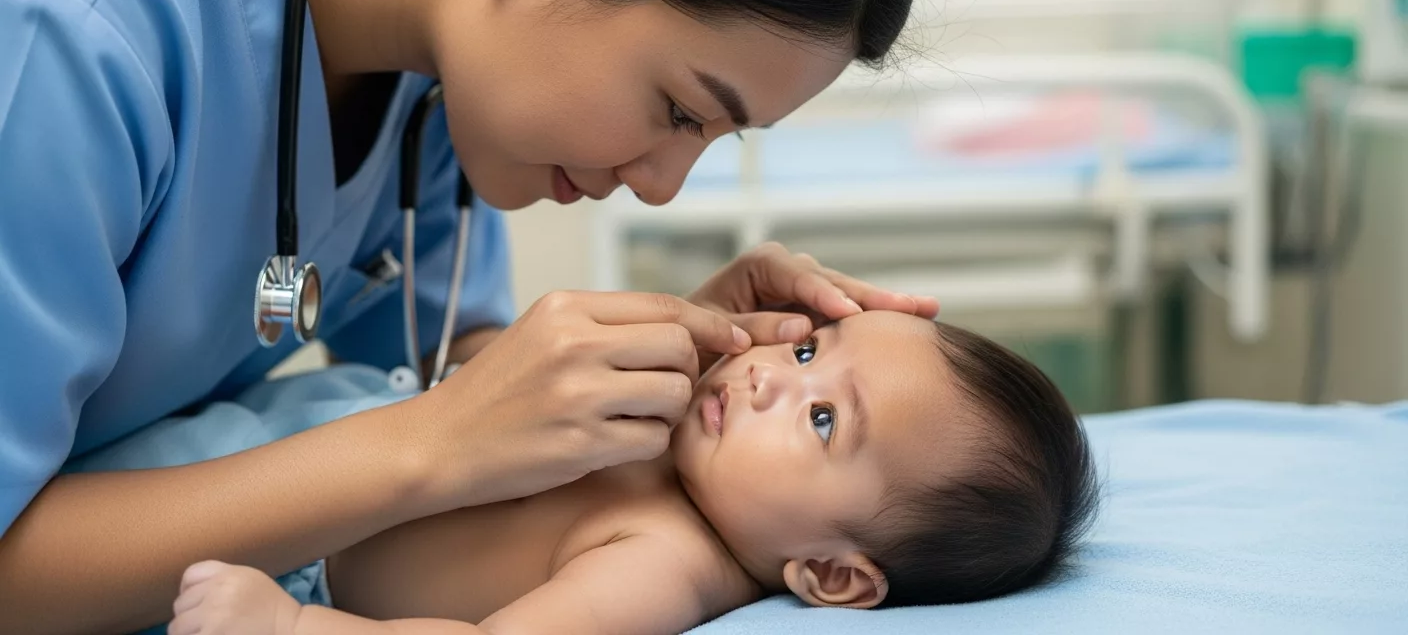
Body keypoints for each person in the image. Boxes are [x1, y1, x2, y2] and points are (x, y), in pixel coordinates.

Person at [0, 0, 935, 631]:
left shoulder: (442, 76)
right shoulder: (69, 27)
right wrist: (426, 448)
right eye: (681, 111)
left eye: (713, 140)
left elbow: (448, 370)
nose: (661, 185)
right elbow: (443, 429)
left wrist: (674, 376)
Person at [80, 311, 1098, 635]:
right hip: (290, 431)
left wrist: (296, 627)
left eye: (824, 418)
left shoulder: (664, 561)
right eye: (806, 351)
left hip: (281, 542)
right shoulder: (695, 433)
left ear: (831, 575)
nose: (762, 383)